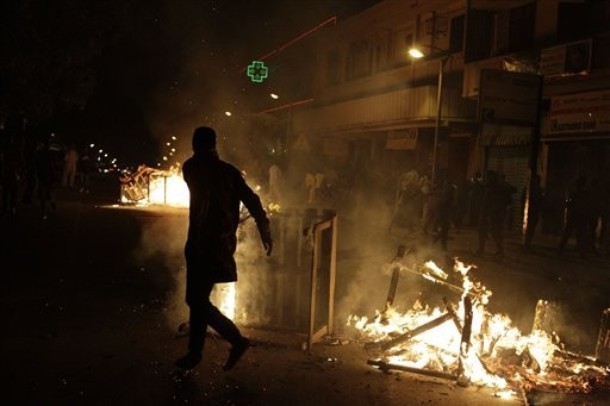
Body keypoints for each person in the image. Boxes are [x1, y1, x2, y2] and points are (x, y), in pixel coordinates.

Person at [175, 126, 273, 371]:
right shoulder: (229, 173)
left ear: (195, 145)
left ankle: (236, 340)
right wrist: (264, 228)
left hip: (202, 245)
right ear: (215, 144)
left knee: (195, 299)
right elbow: (253, 200)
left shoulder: (191, 167)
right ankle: (194, 354)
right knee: (198, 299)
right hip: (218, 245)